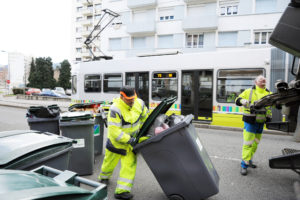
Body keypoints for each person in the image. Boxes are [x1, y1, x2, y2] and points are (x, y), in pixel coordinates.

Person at [98, 86, 149, 200]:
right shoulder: (115, 109)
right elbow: (115, 132)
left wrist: (144, 132)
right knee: (109, 162)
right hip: (116, 143)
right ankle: (104, 177)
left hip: (130, 143)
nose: (131, 101)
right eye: (128, 99)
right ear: (121, 97)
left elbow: (145, 118)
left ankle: (122, 191)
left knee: (129, 166)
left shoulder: (139, 103)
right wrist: (130, 139)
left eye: (133, 98)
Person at [235, 75, 272, 176]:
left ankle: (249, 160)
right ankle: (244, 165)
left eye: (264, 79)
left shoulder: (269, 93)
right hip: (250, 121)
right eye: (261, 79)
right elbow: (237, 99)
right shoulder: (248, 91)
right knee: (248, 143)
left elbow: (271, 107)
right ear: (256, 82)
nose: (263, 80)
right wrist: (241, 101)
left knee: (255, 143)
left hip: (261, 122)